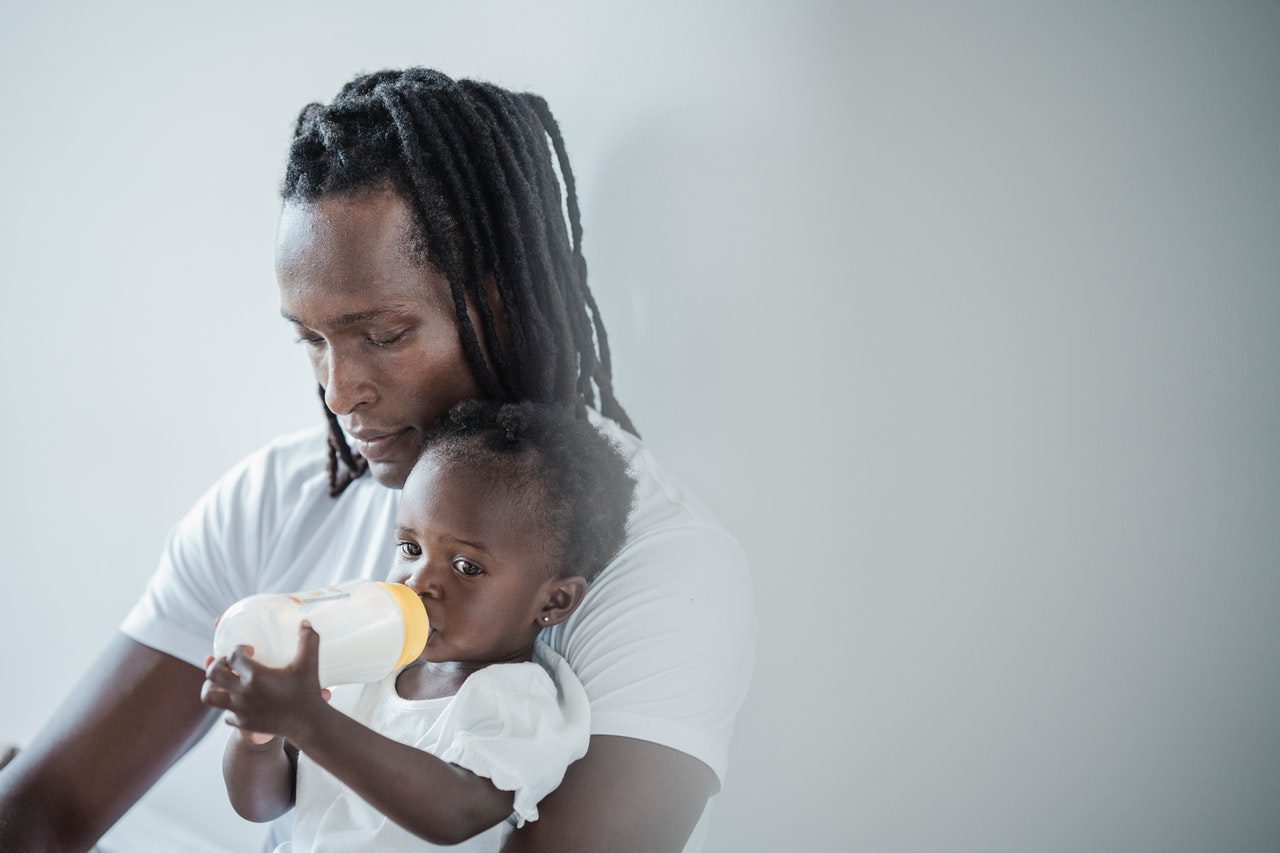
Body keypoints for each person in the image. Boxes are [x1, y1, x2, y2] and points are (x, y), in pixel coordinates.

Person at [0, 68, 755, 852]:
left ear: (498, 302)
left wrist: (310, 722)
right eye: (311, 338)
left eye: (384, 335)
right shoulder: (275, 498)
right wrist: (259, 730)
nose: (338, 392)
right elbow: (44, 807)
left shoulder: (663, 571)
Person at [205, 400, 636, 850]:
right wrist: (258, 736)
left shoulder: (518, 700)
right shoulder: (366, 665)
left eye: (467, 567)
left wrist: (309, 721)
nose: (419, 581)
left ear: (553, 601)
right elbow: (264, 804)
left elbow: (455, 814)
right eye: (410, 548)